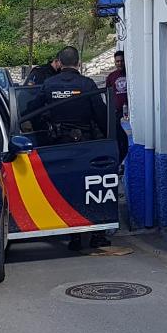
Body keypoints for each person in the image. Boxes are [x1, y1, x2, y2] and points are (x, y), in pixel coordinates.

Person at [34, 47, 111, 251]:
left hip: (58, 147)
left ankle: (74, 236)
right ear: (78, 63)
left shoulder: (49, 84)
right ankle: (97, 235)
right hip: (86, 147)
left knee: (66, 189)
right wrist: (108, 140)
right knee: (91, 189)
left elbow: (31, 110)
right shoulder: (87, 84)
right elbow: (102, 116)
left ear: (59, 62)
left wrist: (40, 134)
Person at [105, 50, 128, 167]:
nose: (119, 63)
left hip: (129, 113)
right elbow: (107, 94)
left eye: (122, 61)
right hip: (117, 113)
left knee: (126, 140)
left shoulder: (129, 74)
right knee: (118, 139)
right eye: (117, 61)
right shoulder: (111, 77)